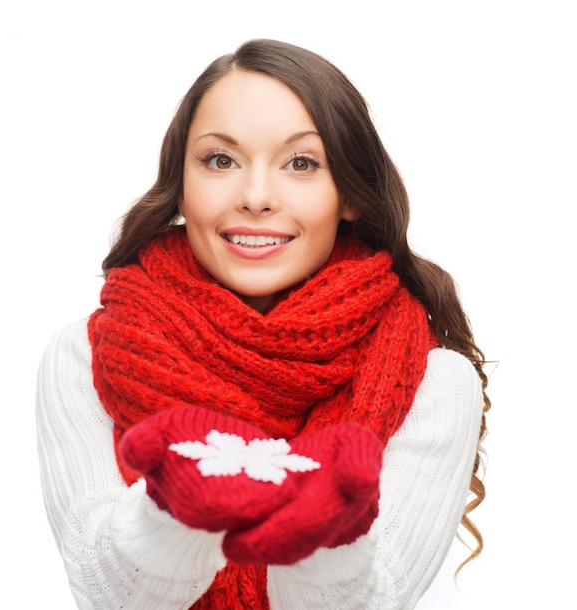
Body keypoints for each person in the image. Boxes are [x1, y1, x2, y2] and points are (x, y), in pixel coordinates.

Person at [36, 38, 490, 609]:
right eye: (220, 160)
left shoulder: (434, 383)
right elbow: (105, 594)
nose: (255, 196)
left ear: (349, 193)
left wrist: (322, 521)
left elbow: (376, 600)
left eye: (301, 163)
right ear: (181, 184)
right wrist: (180, 501)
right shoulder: (85, 353)